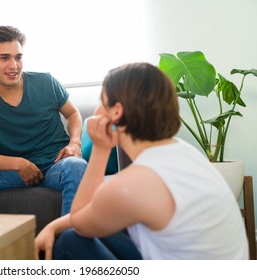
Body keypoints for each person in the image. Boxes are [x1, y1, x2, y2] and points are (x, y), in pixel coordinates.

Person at [35, 62, 249, 260]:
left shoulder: (135, 183)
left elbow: (79, 224)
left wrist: (100, 150)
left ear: (116, 112)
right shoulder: (182, 151)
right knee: (98, 230)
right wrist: (53, 226)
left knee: (70, 241)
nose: (98, 109)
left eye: (102, 101)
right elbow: (85, 217)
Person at [0, 26, 87, 214]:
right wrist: (19, 164)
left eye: (18, 57)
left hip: (57, 164)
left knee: (76, 166)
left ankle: (72, 239)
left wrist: (75, 142)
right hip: (15, 173)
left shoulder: (46, 82)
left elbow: (72, 114)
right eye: (5, 58)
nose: (14, 65)